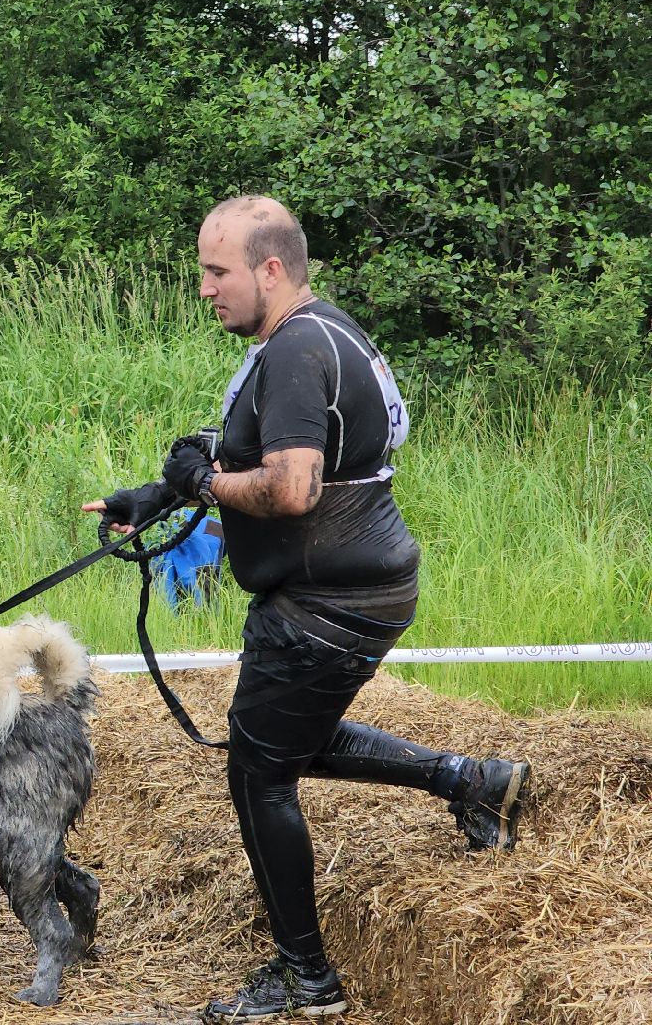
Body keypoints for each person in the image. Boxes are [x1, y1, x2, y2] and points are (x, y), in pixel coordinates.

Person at [82, 196, 532, 1022]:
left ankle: (307, 978)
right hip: (346, 587)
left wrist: (202, 483)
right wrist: (158, 492)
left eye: (217, 273)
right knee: (288, 739)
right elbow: (280, 455)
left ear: (271, 269)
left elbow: (291, 489)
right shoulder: (319, 332)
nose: (206, 289)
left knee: (259, 772)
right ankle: (473, 780)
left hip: (330, 601)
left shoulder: (294, 352)